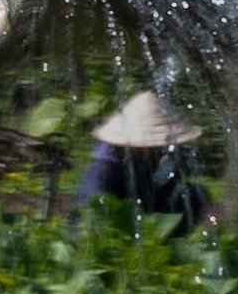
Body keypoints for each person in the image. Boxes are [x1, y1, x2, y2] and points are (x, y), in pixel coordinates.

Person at [77, 90, 211, 224]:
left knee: (196, 194)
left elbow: (162, 184)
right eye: (155, 146)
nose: (159, 150)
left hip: (140, 213)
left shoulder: (153, 159)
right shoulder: (104, 172)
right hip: (106, 228)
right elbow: (90, 216)